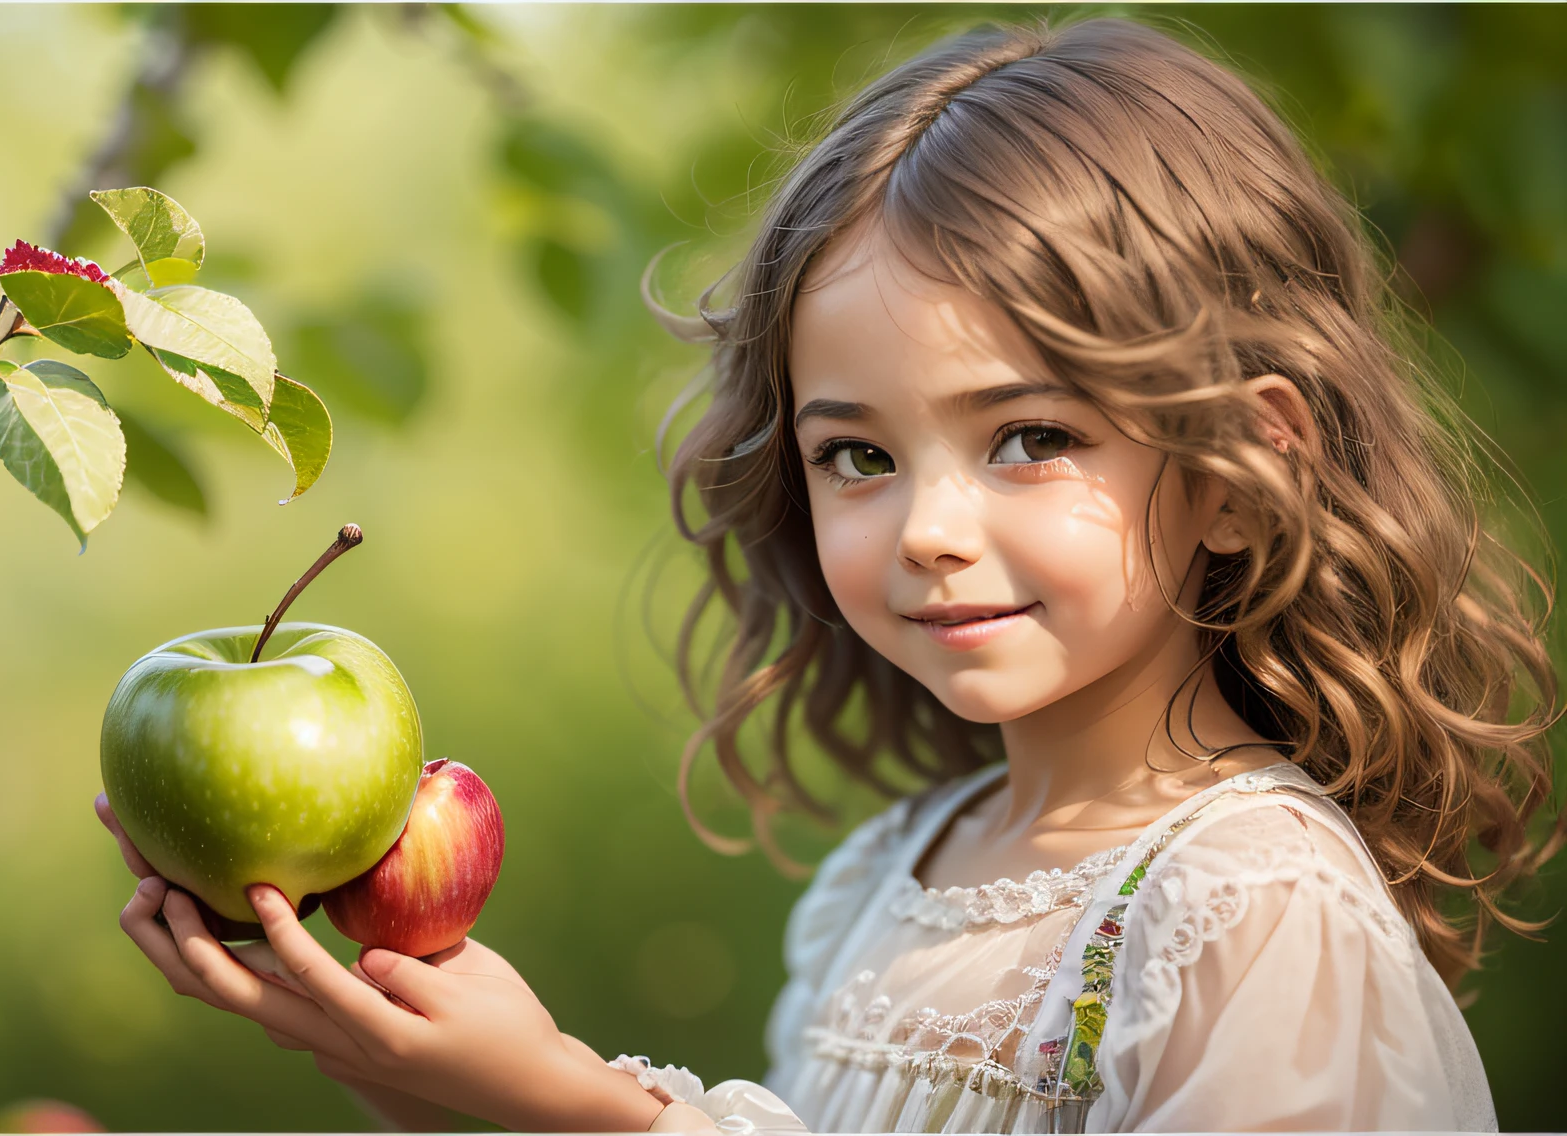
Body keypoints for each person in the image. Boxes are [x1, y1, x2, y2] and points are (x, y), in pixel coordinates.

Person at [94, 17, 1561, 1132]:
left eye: (1030, 436)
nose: (927, 525)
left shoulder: (1247, 910)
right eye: (858, 456)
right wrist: (456, 1096)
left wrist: (594, 1110)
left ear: (1243, 473)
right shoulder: (882, 881)